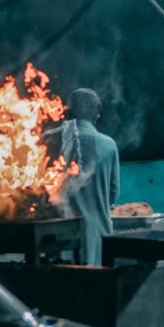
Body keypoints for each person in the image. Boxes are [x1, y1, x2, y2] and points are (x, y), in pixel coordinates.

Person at [42, 87, 120, 266]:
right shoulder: (108, 145)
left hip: (57, 233)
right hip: (98, 233)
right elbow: (113, 194)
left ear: (67, 112)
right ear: (96, 117)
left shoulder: (49, 140)